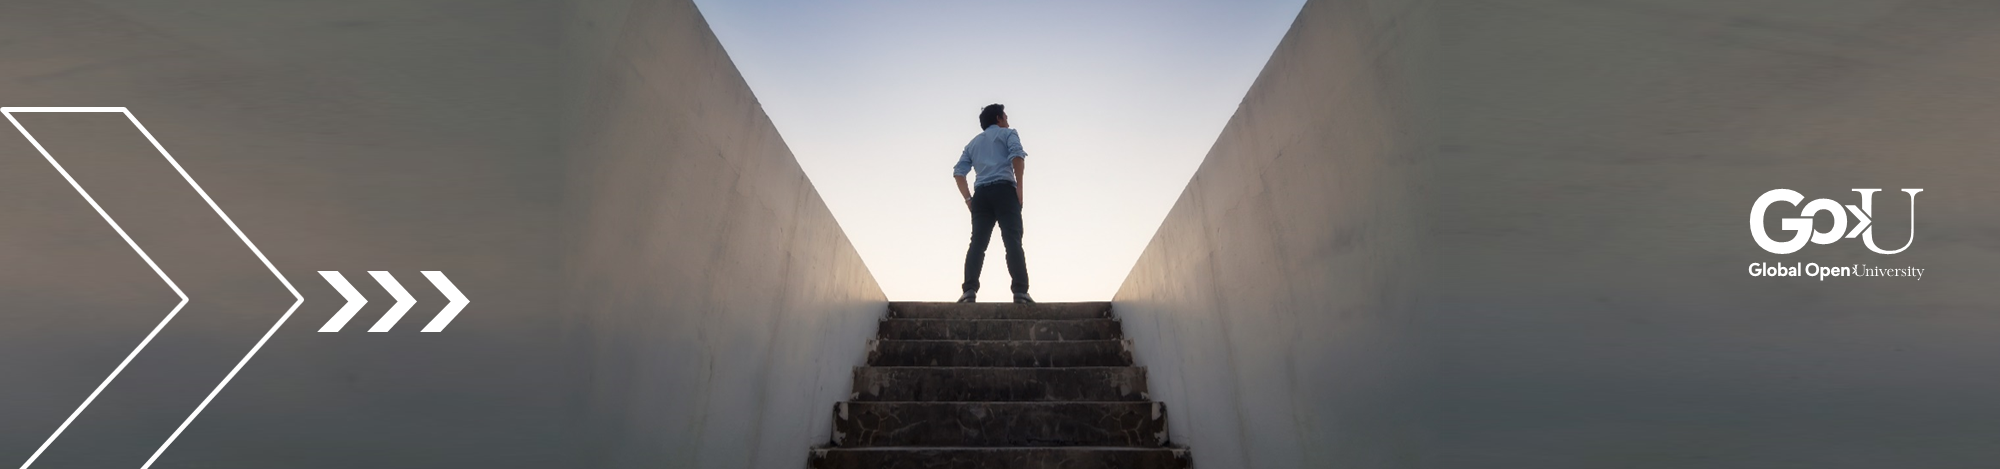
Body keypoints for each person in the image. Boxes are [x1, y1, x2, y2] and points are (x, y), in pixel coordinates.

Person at [953, 104, 1032, 304]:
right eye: (1006, 116)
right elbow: (1017, 156)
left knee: (977, 244)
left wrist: (968, 199)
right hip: (1005, 191)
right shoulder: (1008, 134)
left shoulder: (972, 144)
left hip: (981, 195)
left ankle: (969, 290)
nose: (1008, 120)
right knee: (1012, 241)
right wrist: (1020, 188)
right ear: (999, 118)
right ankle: (1020, 292)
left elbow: (959, 172)